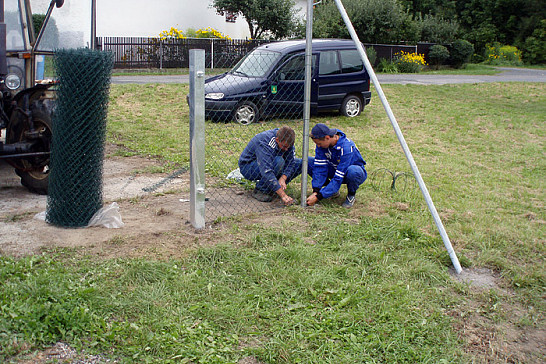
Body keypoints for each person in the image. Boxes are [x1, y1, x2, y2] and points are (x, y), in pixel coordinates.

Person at [306, 123, 367, 208]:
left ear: (327, 138)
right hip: (334, 169)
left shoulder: (346, 147)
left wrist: (319, 197)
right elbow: (319, 168)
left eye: (319, 143)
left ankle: (351, 195)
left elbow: (339, 176)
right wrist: (316, 191)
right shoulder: (322, 145)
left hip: (348, 173)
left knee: (353, 171)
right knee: (308, 162)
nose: (318, 146)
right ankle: (331, 191)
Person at [239, 126, 302, 205]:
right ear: (277, 140)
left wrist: (283, 178)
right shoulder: (265, 142)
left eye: (288, 147)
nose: (286, 149)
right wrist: (283, 195)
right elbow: (266, 171)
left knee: (299, 163)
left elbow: (291, 162)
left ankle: (273, 189)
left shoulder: (287, 142)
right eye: (284, 146)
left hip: (269, 164)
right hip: (248, 167)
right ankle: (260, 190)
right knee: (279, 162)